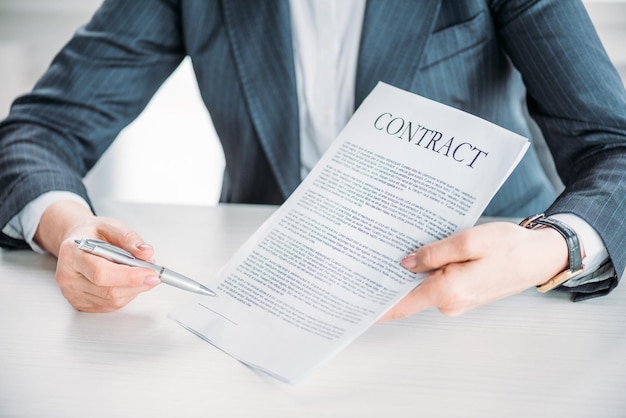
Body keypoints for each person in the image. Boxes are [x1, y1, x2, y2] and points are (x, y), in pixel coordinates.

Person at [0, 0, 624, 316]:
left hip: (496, 294)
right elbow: (39, 129)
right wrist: (69, 230)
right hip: (275, 292)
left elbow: (613, 147)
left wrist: (548, 249)